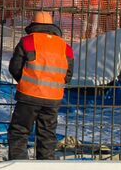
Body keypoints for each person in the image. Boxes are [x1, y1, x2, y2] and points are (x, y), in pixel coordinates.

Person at [7, 10, 74, 160]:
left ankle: (18, 166)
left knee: (19, 132)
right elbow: (68, 75)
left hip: (29, 96)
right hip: (53, 99)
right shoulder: (65, 47)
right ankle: (46, 168)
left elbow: (14, 67)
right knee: (47, 135)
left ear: (33, 24)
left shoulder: (28, 41)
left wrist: (26, 81)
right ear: (52, 25)